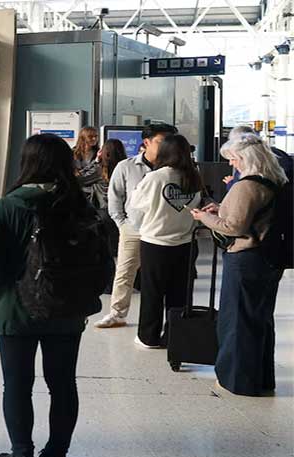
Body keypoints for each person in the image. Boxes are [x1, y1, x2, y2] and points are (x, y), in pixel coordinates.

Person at [0, 134, 96, 457]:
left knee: (17, 383)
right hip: (67, 309)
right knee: (63, 384)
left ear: (26, 163)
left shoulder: (9, 206)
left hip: (16, 310)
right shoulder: (80, 205)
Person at [192, 134, 288, 396]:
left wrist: (204, 218)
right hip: (269, 257)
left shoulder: (246, 185)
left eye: (233, 159)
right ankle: (261, 378)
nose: (232, 165)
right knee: (260, 320)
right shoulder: (276, 180)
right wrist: (221, 208)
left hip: (246, 258)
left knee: (238, 321)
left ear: (245, 158)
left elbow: (234, 226)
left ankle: (236, 380)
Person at [95, 123, 178, 329]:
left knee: (164, 278)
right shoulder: (127, 166)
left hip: (163, 232)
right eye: (161, 141)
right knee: (125, 272)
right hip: (134, 229)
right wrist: (123, 224)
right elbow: (115, 199)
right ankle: (117, 313)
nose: (166, 146)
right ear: (146, 142)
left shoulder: (175, 169)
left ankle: (172, 319)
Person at [128, 135, 202, 348]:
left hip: (155, 243)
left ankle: (148, 336)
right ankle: (174, 336)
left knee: (152, 292)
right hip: (185, 242)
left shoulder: (155, 177)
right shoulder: (193, 177)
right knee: (179, 293)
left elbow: (137, 202)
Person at [223, 126, 293, 189]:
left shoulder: (247, 162)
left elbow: (239, 191)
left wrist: (230, 183)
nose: (231, 163)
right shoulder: (279, 153)